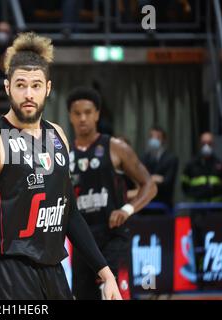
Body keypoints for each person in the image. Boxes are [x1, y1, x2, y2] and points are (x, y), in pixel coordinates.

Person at [0, 32, 122, 300]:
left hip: (53, 270)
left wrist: (106, 272)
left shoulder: (58, 135)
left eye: (36, 85)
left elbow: (70, 214)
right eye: (20, 85)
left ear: (48, 88)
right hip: (7, 272)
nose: (28, 94)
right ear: (7, 87)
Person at [66, 86, 157, 300]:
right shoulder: (63, 153)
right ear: (70, 116)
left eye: (88, 112)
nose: (83, 118)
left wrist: (127, 209)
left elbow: (149, 185)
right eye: (77, 113)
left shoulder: (114, 147)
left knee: (115, 295)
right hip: (82, 241)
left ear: (97, 114)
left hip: (113, 236)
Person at [141, 125, 178, 209]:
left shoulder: (171, 159)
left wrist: (148, 179)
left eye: (157, 137)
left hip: (164, 203)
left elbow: (168, 183)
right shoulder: (143, 158)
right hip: (145, 204)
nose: (154, 140)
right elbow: (140, 180)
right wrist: (155, 178)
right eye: (151, 137)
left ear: (164, 140)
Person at [182, 132, 222, 203]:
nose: (206, 146)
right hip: (197, 206)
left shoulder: (220, 164)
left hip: (216, 206)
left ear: (213, 144)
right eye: (203, 143)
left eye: (209, 143)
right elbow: (184, 185)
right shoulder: (191, 164)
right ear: (199, 144)